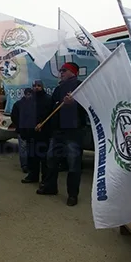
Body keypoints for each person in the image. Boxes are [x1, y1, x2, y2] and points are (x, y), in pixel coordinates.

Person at [37, 62, 88, 207]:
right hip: (58, 131)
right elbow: (52, 108)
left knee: (73, 164)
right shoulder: (59, 89)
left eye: (64, 70)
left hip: (74, 131)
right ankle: (50, 187)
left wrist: (74, 103)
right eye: (60, 70)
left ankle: (73, 195)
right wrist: (43, 123)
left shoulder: (81, 87)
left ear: (73, 72)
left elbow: (88, 109)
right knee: (51, 160)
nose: (61, 72)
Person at [12, 80, 53, 185]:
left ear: (42, 87)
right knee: (32, 157)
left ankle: (44, 179)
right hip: (31, 134)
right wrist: (23, 131)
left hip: (43, 134)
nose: (36, 88)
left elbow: (51, 116)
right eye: (34, 86)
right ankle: (32, 175)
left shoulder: (48, 99)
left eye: (39, 86)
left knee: (43, 159)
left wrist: (44, 126)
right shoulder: (29, 100)